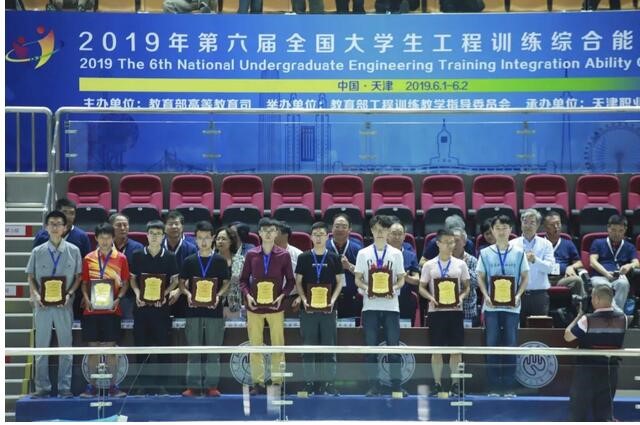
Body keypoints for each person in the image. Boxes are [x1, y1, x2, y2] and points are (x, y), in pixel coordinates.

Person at [26, 211, 82, 398]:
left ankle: (64, 387)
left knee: (66, 347)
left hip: (64, 305)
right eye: (52, 223)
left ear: (65, 228)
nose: (55, 227)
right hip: (42, 306)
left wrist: (70, 294)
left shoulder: (74, 250)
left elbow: (78, 277)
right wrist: (36, 295)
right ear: (46, 227)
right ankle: (42, 387)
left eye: (59, 224)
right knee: (41, 348)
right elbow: (31, 277)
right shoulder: (37, 251)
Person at [239, 218, 296, 395]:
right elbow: (243, 280)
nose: (269, 234)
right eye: (265, 230)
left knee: (278, 344)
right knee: (255, 346)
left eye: (272, 230)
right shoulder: (251, 255)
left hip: (275, 307)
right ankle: (258, 382)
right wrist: (248, 296)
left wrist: (282, 296)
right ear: (259, 233)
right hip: (254, 307)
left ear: (276, 233)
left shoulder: (284, 255)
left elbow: (291, 281)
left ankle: (277, 381)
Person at [476, 215, 529, 396]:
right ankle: (493, 386)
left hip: (512, 307)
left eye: (504, 228)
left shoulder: (519, 253)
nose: (501, 231)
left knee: (510, 345)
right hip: (491, 307)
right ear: (492, 230)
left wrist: (518, 295)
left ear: (510, 230)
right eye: (497, 228)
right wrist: (485, 296)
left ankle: (508, 386)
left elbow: (525, 277)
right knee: (491, 345)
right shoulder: (485, 253)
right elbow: (480, 277)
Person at [354, 215, 407, 397]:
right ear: (371, 231)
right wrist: (367, 288)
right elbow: (358, 279)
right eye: (376, 229)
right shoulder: (363, 253)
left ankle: (396, 385)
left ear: (388, 232)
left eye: (383, 229)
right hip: (370, 306)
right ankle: (373, 385)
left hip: (391, 306)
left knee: (393, 348)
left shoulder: (396, 254)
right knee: (371, 349)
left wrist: (394, 288)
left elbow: (401, 279)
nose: (379, 232)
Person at [179, 221, 231, 397]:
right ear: (195, 239)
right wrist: (187, 294)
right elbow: (181, 283)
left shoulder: (220, 261)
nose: (203, 241)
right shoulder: (189, 261)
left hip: (214, 311)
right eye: (200, 238)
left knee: (213, 351)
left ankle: (211, 385)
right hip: (193, 311)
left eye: (207, 238)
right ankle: (193, 386)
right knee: (193, 351)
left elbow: (226, 283)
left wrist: (218, 296)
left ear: (213, 238)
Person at [129, 220, 180, 395]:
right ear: (147, 235)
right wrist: (137, 294)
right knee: (141, 348)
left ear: (163, 236)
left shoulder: (170, 256)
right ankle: (142, 384)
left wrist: (165, 293)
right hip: (141, 309)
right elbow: (132, 279)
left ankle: (162, 385)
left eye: (158, 234)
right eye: (152, 233)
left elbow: (175, 280)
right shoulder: (137, 255)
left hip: (161, 309)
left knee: (163, 349)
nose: (155, 237)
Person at [79, 223, 130, 398]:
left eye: (108, 237)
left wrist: (118, 298)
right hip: (92, 311)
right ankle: (92, 387)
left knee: (111, 349)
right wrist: (86, 299)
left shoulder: (121, 258)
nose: (105, 241)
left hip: (112, 311)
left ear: (113, 238)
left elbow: (125, 283)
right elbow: (84, 283)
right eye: (102, 237)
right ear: (96, 238)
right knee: (93, 349)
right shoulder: (88, 259)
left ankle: (113, 386)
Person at [293, 221, 344, 396]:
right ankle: (309, 383)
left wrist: (333, 300)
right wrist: (304, 299)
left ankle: (329, 383)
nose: (319, 238)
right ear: (311, 237)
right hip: (308, 310)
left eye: (322, 234)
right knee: (308, 349)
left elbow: (340, 282)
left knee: (329, 348)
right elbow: (298, 282)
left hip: (329, 310)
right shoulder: (304, 257)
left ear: (327, 236)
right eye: (315, 235)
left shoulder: (334, 258)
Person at [564, 285, 628, 421]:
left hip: (586, 371)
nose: (591, 300)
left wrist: (578, 316)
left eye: (592, 297)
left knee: (578, 412)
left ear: (597, 299)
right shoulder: (624, 319)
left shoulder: (587, 319)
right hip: (610, 371)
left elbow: (568, 336)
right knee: (604, 414)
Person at [419, 229, 471, 397]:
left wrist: (461, 298)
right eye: (446, 242)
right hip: (436, 312)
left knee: (456, 350)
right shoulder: (429, 265)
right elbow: (421, 287)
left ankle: (455, 384)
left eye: (452, 242)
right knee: (437, 349)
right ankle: (437, 384)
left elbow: (467, 287)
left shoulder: (461, 264)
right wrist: (431, 298)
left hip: (455, 311)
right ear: (438, 243)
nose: (450, 245)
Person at [510, 209, 556, 327]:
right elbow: (509, 269)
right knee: (518, 330)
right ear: (521, 223)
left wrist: (535, 260)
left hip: (539, 295)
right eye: (525, 222)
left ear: (538, 225)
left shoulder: (546, 244)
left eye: (532, 222)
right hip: (518, 294)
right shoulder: (512, 244)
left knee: (539, 330)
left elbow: (550, 268)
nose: (528, 225)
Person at [589, 214, 638, 312]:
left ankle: (613, 315)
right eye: (614, 230)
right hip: (600, 276)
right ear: (608, 228)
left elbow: (636, 263)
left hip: (618, 277)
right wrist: (606, 274)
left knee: (623, 284)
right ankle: (619, 315)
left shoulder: (629, 246)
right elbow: (592, 262)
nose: (617, 234)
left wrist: (629, 266)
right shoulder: (598, 243)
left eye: (620, 231)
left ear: (625, 230)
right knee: (604, 287)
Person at [542, 212, 587, 302]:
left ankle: (581, 308)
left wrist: (571, 267)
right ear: (545, 227)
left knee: (577, 280)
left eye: (558, 224)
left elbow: (579, 263)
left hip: (562, 279)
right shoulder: (538, 243)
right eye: (552, 225)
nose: (556, 227)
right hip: (543, 279)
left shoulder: (568, 243)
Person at [326, 214, 363, 319]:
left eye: (344, 226)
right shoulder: (324, 248)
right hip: (328, 297)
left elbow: (365, 275)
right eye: (337, 226)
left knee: (351, 329)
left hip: (352, 298)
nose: (340, 229)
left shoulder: (358, 249)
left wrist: (349, 266)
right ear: (332, 228)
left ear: (350, 229)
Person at [163, 210, 198, 318]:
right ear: (164, 227)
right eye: (170, 224)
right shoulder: (158, 246)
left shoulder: (192, 248)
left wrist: (178, 291)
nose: (174, 227)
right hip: (162, 294)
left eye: (177, 224)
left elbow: (193, 275)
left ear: (182, 227)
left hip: (184, 295)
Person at [110, 213, 144, 320]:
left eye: (125, 225)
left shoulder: (138, 248)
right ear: (111, 227)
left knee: (129, 325)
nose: (123, 228)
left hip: (130, 296)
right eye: (118, 225)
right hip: (109, 294)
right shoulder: (104, 246)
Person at [387, 220, 421, 326]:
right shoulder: (380, 254)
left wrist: (406, 278)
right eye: (394, 233)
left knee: (405, 332)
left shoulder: (411, 255)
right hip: (384, 300)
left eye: (400, 234)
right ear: (387, 235)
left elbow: (417, 280)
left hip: (404, 299)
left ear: (404, 236)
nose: (397, 237)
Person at [214, 226, 246, 320]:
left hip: (234, 305)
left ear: (231, 241)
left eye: (223, 239)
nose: (220, 241)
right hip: (215, 304)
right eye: (218, 239)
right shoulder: (211, 260)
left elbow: (244, 282)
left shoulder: (240, 260)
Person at [451, 227, 480, 327]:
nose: (453, 244)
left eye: (457, 240)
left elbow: (476, 283)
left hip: (467, 309)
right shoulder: (444, 260)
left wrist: (464, 267)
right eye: (451, 241)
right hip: (447, 308)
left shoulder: (472, 260)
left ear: (464, 242)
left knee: (468, 336)